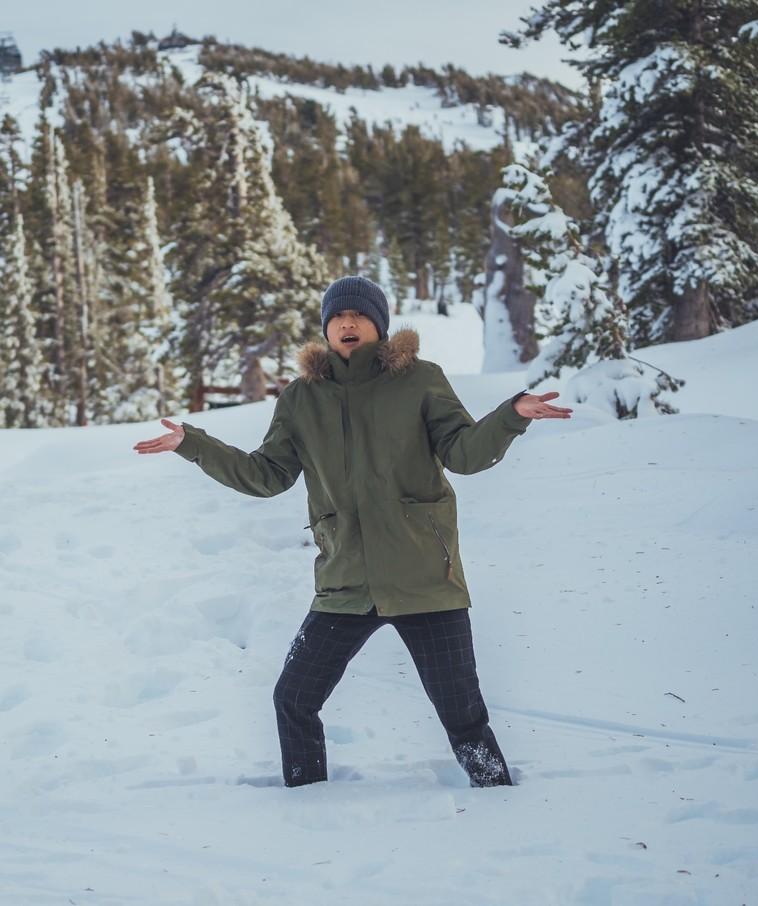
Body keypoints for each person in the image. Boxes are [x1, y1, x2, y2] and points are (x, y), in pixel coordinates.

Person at [134, 275, 572, 787]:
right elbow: (266, 475)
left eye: (359, 315)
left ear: (378, 327)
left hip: (424, 577)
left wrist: (510, 417)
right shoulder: (301, 399)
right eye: (338, 317)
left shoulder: (420, 380)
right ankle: (305, 799)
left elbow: (464, 453)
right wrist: (194, 443)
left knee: (462, 711)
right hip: (345, 582)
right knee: (293, 699)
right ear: (325, 329)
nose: (347, 323)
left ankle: (497, 797)